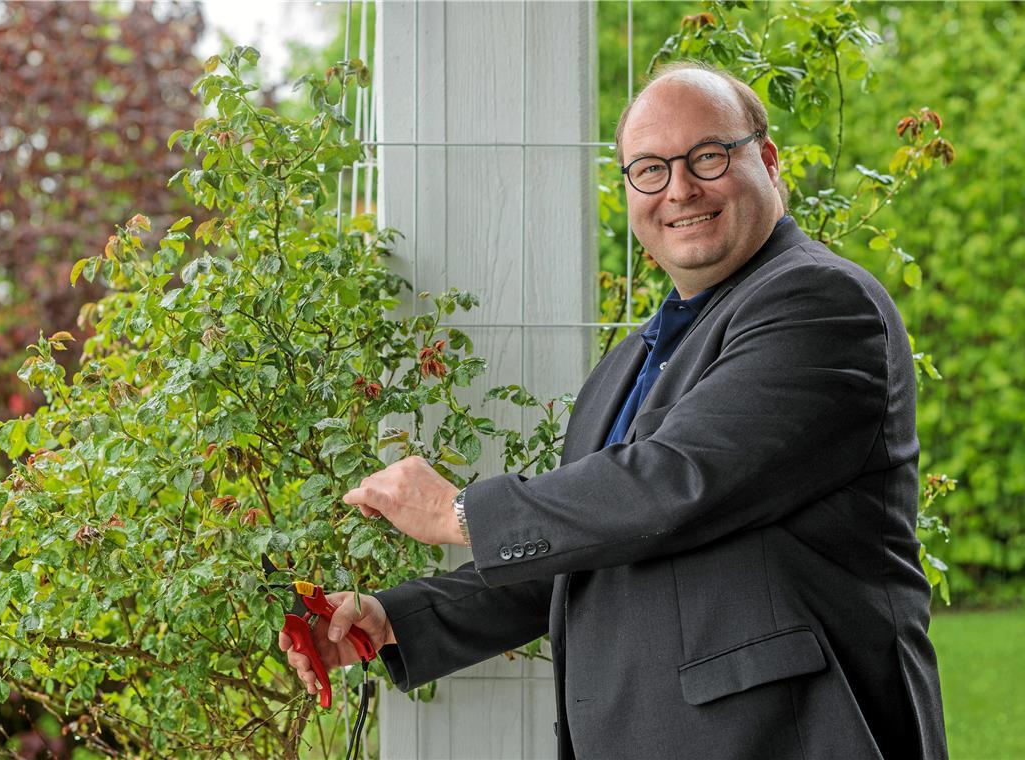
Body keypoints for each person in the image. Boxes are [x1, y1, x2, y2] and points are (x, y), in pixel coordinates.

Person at [280, 61, 948, 760]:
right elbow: (582, 551)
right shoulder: (628, 364)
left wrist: (461, 513)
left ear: (769, 160)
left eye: (709, 157)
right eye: (650, 170)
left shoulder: (820, 303)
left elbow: (672, 482)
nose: (680, 189)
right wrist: (392, 620)